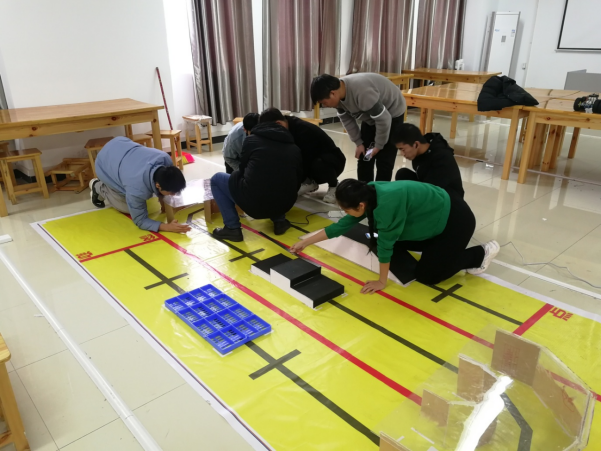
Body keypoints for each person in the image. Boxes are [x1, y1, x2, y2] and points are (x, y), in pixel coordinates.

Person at [290, 179, 499, 293]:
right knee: (376, 237)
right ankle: (437, 250)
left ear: (360, 206)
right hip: (432, 217)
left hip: (455, 221)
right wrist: (305, 243)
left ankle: (479, 254)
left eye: (346, 209)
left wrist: (381, 281)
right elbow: (341, 227)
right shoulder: (367, 194)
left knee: (428, 275)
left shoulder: (386, 207)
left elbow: (386, 245)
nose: (345, 213)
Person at [211, 121, 303, 242]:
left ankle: (232, 228)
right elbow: (298, 180)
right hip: (285, 205)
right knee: (276, 178)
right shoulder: (294, 148)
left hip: (255, 204)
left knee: (216, 179)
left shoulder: (251, 141)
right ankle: (280, 221)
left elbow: (242, 170)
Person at [310, 73, 406, 182]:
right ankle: (364, 189)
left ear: (333, 93)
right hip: (371, 115)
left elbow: (384, 119)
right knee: (365, 156)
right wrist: (359, 143)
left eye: (324, 103)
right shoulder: (339, 96)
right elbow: (347, 120)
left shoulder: (363, 93)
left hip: (392, 113)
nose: (325, 106)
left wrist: (378, 145)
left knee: (384, 160)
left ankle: (380, 191)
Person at [90, 136, 191, 233]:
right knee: (127, 208)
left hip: (120, 143)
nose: (173, 195)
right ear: (158, 185)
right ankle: (99, 187)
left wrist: (162, 199)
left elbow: (166, 182)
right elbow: (140, 220)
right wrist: (167, 227)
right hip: (103, 163)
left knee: (144, 201)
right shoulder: (136, 188)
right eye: (171, 192)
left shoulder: (165, 159)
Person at [259, 108, 346, 204]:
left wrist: (299, 180)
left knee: (318, 164)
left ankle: (334, 185)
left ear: (279, 124)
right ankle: (309, 182)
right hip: (311, 160)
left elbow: (305, 157)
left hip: (332, 161)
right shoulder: (286, 127)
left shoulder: (303, 130)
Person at [394, 123, 464, 198]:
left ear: (416, 144)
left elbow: (433, 191)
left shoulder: (441, 157)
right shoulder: (421, 150)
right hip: (429, 186)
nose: (402, 154)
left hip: (447, 197)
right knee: (403, 174)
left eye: (403, 149)